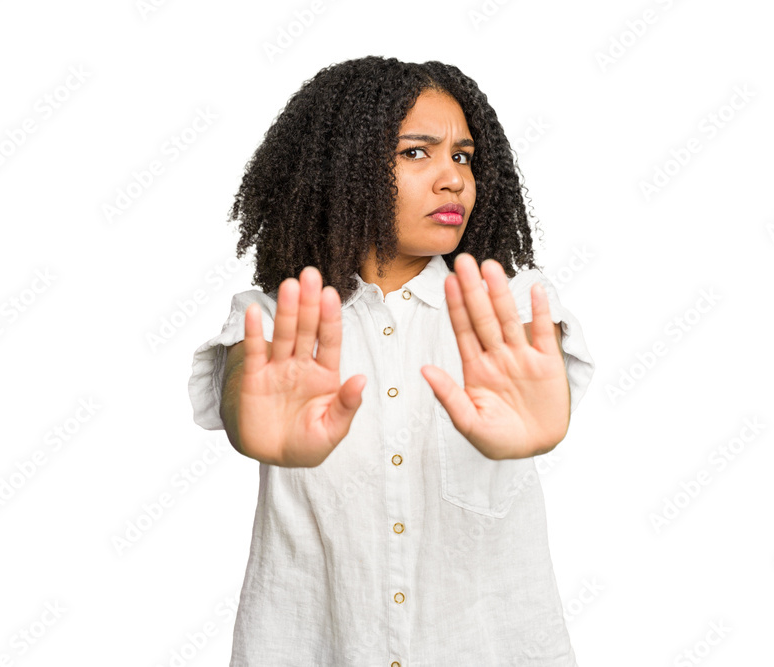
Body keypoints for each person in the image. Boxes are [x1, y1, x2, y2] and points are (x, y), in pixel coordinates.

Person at [187, 55, 595, 666]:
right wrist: (254, 426)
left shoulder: (509, 308)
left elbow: (544, 380)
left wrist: (542, 420)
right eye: (416, 153)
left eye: (463, 156)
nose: (453, 179)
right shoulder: (274, 318)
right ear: (340, 168)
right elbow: (246, 400)